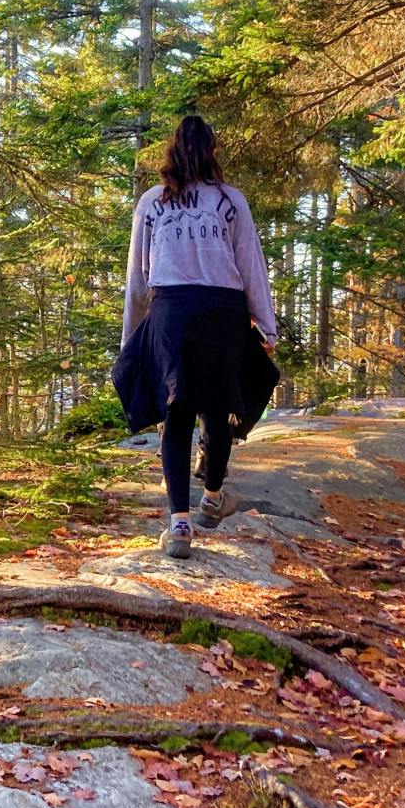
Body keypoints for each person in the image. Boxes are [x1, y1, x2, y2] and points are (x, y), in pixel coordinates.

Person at [116, 115, 279, 559]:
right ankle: (211, 497)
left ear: (172, 151)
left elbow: (137, 278)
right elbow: (251, 267)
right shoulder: (230, 201)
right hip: (223, 313)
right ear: (211, 152)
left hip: (172, 311)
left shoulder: (152, 203)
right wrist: (266, 325)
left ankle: (179, 523)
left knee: (178, 410)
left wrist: (132, 336)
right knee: (220, 404)